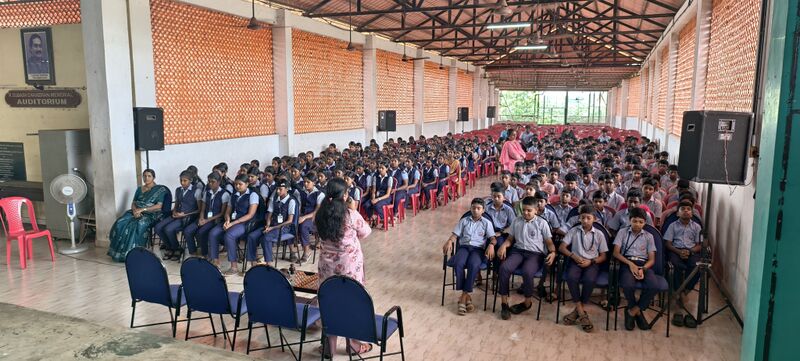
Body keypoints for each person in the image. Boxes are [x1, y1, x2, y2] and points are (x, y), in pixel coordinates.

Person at [315, 178, 373, 357]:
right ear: (346, 195)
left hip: (327, 267)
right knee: (351, 302)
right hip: (349, 267)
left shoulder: (320, 214)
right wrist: (354, 210)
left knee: (329, 302)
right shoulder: (351, 215)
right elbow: (366, 232)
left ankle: (329, 348)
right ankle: (353, 346)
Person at [496, 196, 557, 320]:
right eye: (523, 210)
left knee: (527, 272)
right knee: (504, 268)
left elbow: (549, 242)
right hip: (518, 251)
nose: (525, 213)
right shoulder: (517, 221)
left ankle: (527, 302)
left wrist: (553, 252)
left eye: (529, 210)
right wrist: (504, 245)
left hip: (535, 254)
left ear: (536, 210)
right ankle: (504, 303)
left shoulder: (542, 223)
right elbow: (510, 239)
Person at [441, 198, 496, 315]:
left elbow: (493, 238)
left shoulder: (487, 223)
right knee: (458, 262)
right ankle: (467, 297)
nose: (475, 210)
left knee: (474, 264)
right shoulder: (464, 221)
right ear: (470, 208)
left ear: (483, 210)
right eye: (473, 208)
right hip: (464, 248)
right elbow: (455, 235)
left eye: (478, 208)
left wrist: (491, 245)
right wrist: (449, 241)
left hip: (478, 249)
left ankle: (463, 297)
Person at [558, 205, 608, 332]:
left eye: (588, 218)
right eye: (582, 217)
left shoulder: (599, 234)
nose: (585, 220)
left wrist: (591, 261)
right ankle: (581, 312)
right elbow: (562, 247)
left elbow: (603, 256)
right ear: (579, 218)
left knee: (589, 280)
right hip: (576, 261)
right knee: (571, 277)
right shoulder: (574, 230)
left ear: (594, 219)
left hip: (592, 262)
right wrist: (573, 256)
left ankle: (577, 311)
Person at [107, 169, 168, 262]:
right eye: (144, 176)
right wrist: (135, 211)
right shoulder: (139, 189)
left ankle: (137, 253)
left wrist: (142, 210)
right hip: (136, 211)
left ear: (154, 177)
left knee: (138, 224)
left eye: (149, 176)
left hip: (151, 214)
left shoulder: (160, 190)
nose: (146, 178)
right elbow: (134, 202)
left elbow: (159, 206)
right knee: (120, 222)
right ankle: (120, 253)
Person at [613, 207, 658, 331]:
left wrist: (642, 269)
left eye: (640, 222)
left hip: (644, 264)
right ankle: (638, 313)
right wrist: (630, 264)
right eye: (634, 221)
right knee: (627, 285)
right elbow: (616, 253)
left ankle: (632, 311)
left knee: (654, 286)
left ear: (645, 223)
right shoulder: (622, 232)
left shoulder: (649, 236)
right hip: (627, 262)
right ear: (629, 220)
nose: (637, 224)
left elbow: (652, 260)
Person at [208, 174, 260, 275]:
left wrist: (232, 223)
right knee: (213, 233)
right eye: (236, 184)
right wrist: (227, 220)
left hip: (244, 223)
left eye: (240, 184)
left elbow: (250, 215)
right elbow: (228, 211)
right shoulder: (233, 195)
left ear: (247, 184)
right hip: (231, 221)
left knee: (229, 235)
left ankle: (234, 267)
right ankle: (216, 262)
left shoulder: (253, 195)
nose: (237, 186)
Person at [664, 201, 703, 321]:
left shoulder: (697, 226)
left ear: (692, 213)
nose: (686, 211)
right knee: (674, 265)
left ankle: (685, 291)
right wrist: (679, 252)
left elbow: (700, 245)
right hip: (676, 250)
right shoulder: (673, 225)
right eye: (683, 209)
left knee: (697, 266)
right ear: (677, 213)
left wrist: (690, 252)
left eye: (688, 209)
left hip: (691, 251)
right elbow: (668, 243)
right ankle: (679, 292)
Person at [154, 170, 202, 261]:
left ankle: (176, 248)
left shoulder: (197, 191)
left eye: (185, 181)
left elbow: (199, 210)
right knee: (158, 227)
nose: (182, 183)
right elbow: (176, 204)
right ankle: (170, 247)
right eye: (181, 180)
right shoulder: (178, 190)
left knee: (168, 229)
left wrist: (185, 214)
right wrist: (174, 211)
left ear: (190, 180)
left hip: (188, 217)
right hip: (177, 215)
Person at [184, 172, 229, 257]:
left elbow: (222, 213)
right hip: (204, 217)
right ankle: (193, 252)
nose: (210, 184)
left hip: (215, 219)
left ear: (219, 182)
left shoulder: (224, 194)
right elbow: (202, 209)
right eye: (209, 181)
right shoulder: (207, 193)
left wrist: (206, 221)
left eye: (213, 182)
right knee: (187, 231)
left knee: (201, 232)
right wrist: (201, 218)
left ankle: (204, 253)